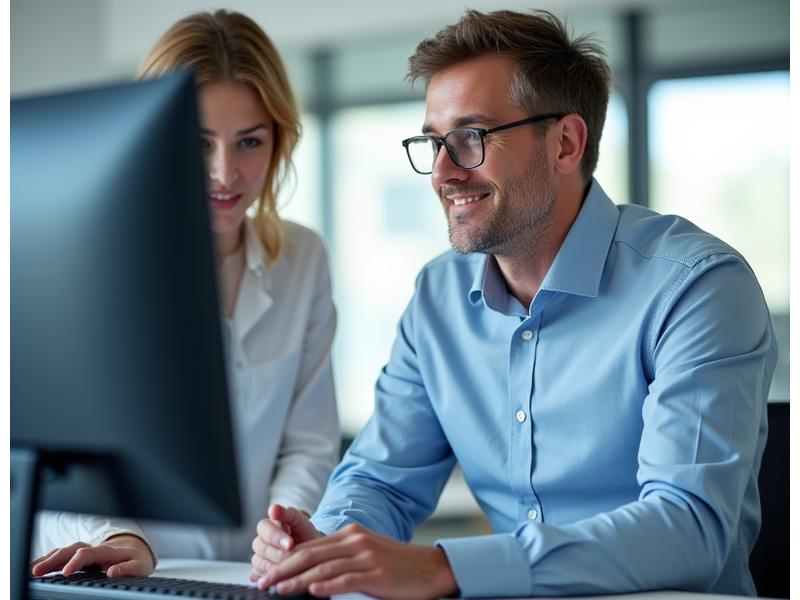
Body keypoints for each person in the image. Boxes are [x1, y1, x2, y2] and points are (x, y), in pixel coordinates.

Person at [249, 9, 778, 599]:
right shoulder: (437, 298)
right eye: (433, 142)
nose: (443, 173)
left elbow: (688, 529)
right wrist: (322, 541)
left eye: (471, 138)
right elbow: (382, 481)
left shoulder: (696, 288)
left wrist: (442, 568)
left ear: (565, 143)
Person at [31, 10, 340, 578]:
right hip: (125, 573)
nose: (226, 173)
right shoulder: (87, 259)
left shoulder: (302, 259)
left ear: (279, 141)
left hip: (252, 578)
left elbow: (308, 443)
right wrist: (117, 536)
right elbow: (43, 462)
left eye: (250, 141)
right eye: (198, 144)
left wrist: (282, 528)